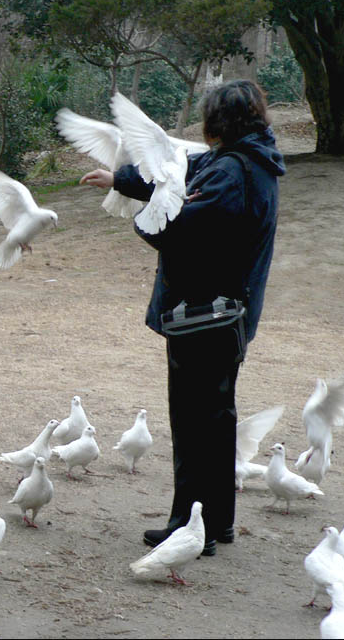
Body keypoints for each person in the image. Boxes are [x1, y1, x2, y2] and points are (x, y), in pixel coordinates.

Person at [81, 79, 285, 556]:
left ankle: (191, 528)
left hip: (204, 318)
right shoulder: (248, 160)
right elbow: (181, 170)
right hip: (224, 315)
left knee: (196, 425)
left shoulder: (233, 171)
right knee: (215, 419)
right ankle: (216, 523)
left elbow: (181, 232)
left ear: (220, 122)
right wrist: (121, 180)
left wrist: (151, 219)